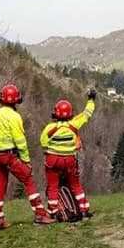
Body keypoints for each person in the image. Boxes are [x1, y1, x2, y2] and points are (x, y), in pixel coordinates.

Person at [0, 83, 53, 230]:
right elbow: (21, 142)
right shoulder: (14, 116)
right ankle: (40, 214)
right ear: (16, 101)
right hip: (9, 155)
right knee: (28, 180)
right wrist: (26, 161)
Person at [40, 89, 96, 220]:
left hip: (52, 161)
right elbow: (87, 114)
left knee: (53, 186)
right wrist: (91, 100)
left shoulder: (49, 128)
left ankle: (54, 212)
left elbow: (43, 143)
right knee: (75, 184)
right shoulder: (74, 125)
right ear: (70, 113)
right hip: (70, 160)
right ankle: (83, 209)